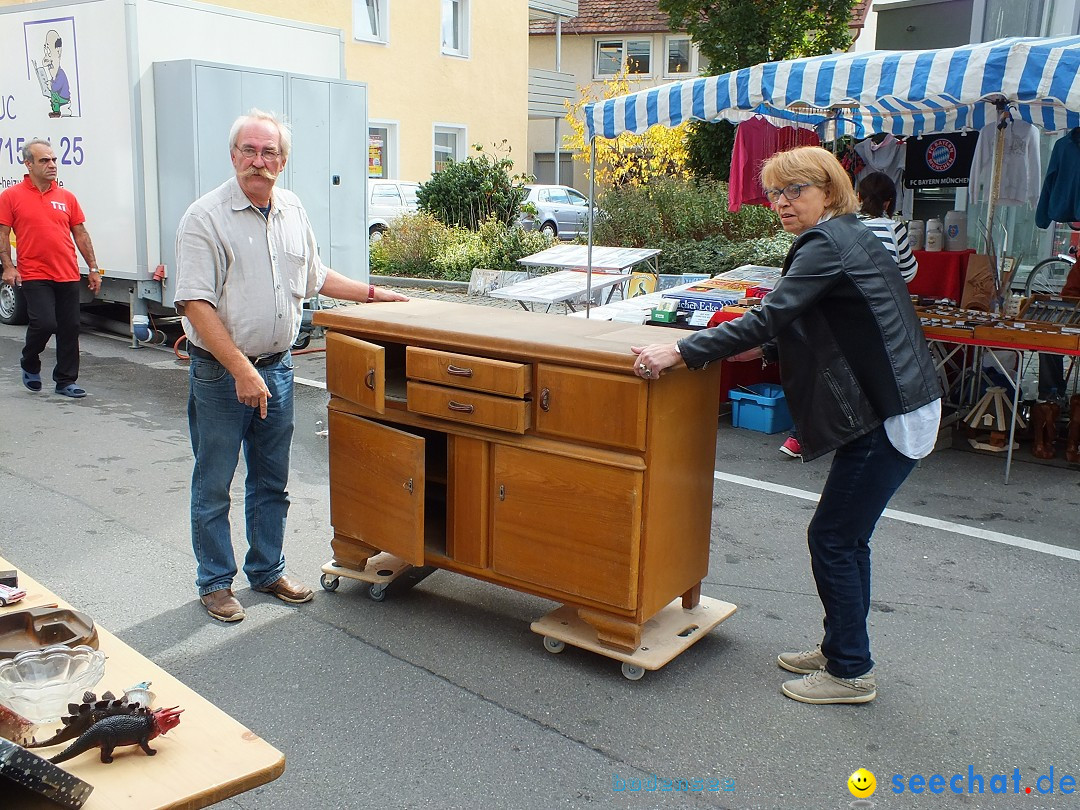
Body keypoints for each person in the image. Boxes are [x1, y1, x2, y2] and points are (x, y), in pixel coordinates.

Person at [632, 146, 942, 705]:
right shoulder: (856, 235)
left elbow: (772, 312)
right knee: (849, 539)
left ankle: (850, 672)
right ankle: (840, 646)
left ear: (829, 190)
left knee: (834, 539)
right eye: (775, 192)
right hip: (901, 399)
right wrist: (766, 349)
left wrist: (682, 353)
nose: (782, 202)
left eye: (795, 190)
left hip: (891, 410)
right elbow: (829, 317)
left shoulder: (826, 242)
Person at [173, 109, 408, 623]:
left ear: (283, 160)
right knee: (214, 482)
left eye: (270, 152)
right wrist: (240, 369)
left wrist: (375, 295)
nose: (259, 161)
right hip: (221, 374)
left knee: (270, 480)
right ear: (233, 156)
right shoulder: (205, 217)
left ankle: (267, 569)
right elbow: (194, 304)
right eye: (250, 151)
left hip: (276, 368)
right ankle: (215, 582)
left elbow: (317, 275)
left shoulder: (292, 208)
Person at [0, 138, 101, 398]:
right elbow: (3, 234)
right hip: (34, 273)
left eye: (53, 159)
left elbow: (80, 233)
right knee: (44, 323)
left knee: (70, 327)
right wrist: (8, 267)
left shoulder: (66, 197)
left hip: (67, 272)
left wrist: (93, 267)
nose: (52, 164)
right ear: (28, 164)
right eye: (44, 160)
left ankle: (65, 381)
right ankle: (29, 361)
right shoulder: (11, 196)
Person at [855, 171, 918, 283]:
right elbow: (908, 273)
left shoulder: (842, 224)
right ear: (888, 203)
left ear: (858, 196)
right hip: (883, 296)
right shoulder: (894, 229)